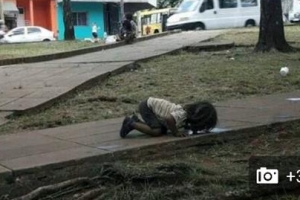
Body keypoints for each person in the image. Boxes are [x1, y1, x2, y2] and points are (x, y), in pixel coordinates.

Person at [120, 97, 218, 138]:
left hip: (151, 107)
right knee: (157, 131)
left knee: (163, 130)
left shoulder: (186, 117)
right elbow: (169, 119)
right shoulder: (182, 114)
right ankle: (131, 123)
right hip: (147, 106)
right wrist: (176, 132)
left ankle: (136, 121)